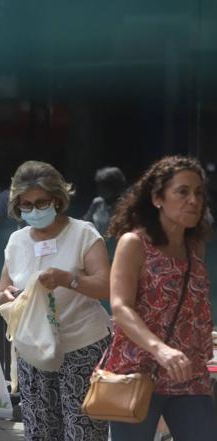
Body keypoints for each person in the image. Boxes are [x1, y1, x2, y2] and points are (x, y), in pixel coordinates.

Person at [0, 160, 111, 441]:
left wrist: (68, 279)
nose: (34, 210)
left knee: (84, 432)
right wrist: (9, 298)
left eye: (41, 202)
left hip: (83, 348)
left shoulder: (83, 233)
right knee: (40, 433)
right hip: (35, 352)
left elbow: (105, 286)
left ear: (58, 199)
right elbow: (0, 294)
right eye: (26, 205)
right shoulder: (17, 241)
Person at [105, 156, 216, 441]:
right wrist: (160, 349)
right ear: (157, 198)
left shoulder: (195, 248)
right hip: (139, 372)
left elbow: (190, 308)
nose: (193, 200)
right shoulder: (134, 243)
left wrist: (206, 338)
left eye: (199, 193)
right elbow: (119, 307)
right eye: (183, 191)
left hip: (188, 374)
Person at [83, 166, 127, 235]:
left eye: (103, 187)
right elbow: (85, 222)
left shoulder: (123, 206)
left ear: (114, 187)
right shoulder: (97, 202)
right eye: (99, 186)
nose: (99, 189)